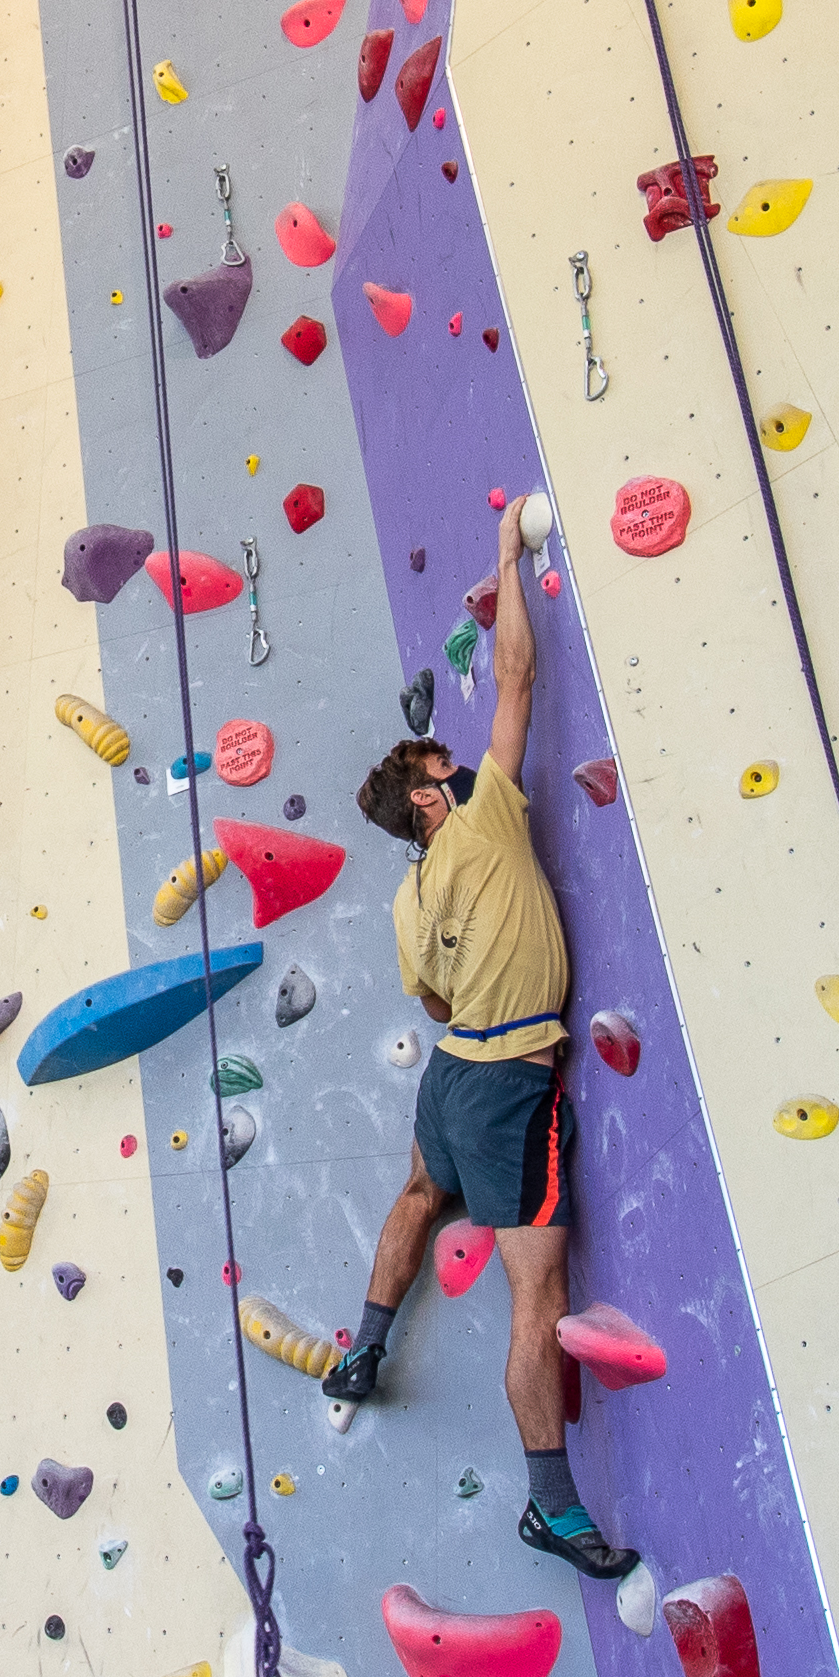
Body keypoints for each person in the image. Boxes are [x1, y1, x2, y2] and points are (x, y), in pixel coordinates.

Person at [265, 495, 639, 1581]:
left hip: (450, 1079)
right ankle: (552, 1507)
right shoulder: (479, 814)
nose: (459, 764)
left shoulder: (404, 903)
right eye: (444, 762)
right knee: (540, 1292)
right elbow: (516, 679)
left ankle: (364, 1351)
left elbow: (429, 1004)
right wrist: (503, 561)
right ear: (432, 795)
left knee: (421, 1197)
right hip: (511, 1088)